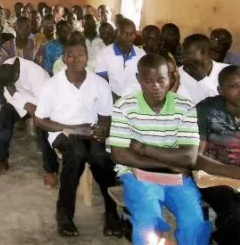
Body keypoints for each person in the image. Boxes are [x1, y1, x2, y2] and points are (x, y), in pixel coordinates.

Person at [108, 54, 211, 245]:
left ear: (170, 78)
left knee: (194, 223)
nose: (155, 86)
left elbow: (189, 156)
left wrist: (144, 149)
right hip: (137, 174)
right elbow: (120, 154)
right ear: (139, 79)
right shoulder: (124, 106)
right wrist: (170, 163)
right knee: (148, 220)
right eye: (148, 81)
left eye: (161, 80)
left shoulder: (185, 106)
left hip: (176, 176)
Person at [35, 38, 120, 238]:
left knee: (102, 159)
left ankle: (112, 214)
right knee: (76, 153)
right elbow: (40, 121)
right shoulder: (52, 85)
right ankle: (64, 214)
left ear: (87, 57)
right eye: (70, 55)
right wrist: (71, 129)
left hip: (90, 133)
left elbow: (106, 117)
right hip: (62, 132)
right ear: (64, 58)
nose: (75, 59)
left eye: (80, 54)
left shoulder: (99, 83)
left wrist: (103, 130)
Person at [195, 65, 240, 244]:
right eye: (233, 86)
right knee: (236, 212)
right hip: (212, 177)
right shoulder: (207, 109)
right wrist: (233, 173)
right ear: (221, 90)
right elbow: (195, 157)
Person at [0, 57, 52, 181]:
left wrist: (24, 101)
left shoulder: (37, 75)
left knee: (43, 127)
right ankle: (0, 160)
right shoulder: (6, 67)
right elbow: (9, 94)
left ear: (16, 73)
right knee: (5, 116)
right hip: (21, 102)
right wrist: (23, 103)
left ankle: (51, 170)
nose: (9, 86)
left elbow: (45, 102)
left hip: (43, 104)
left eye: (10, 84)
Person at [95, 18, 146, 98]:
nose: (129, 36)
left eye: (132, 33)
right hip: (112, 99)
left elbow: (145, 80)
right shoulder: (104, 54)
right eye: (124, 33)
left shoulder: (141, 54)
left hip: (136, 100)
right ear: (117, 33)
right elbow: (101, 82)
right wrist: (116, 99)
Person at [180, 33, 229, 104]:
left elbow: (225, 104)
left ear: (203, 52)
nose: (183, 59)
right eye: (182, 55)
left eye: (187, 54)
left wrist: (202, 79)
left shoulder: (227, 72)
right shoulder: (178, 74)